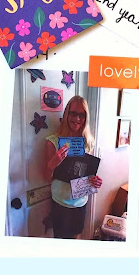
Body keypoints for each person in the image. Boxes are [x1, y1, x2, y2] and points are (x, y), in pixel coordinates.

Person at [44, 96, 102, 239]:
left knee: (76, 239)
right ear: (66, 114)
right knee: (60, 240)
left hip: (80, 203)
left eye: (81, 115)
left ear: (86, 118)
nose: (77, 119)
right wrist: (54, 162)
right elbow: (46, 178)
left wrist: (94, 181)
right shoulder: (53, 142)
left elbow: (88, 175)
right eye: (73, 113)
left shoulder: (88, 142)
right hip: (60, 202)